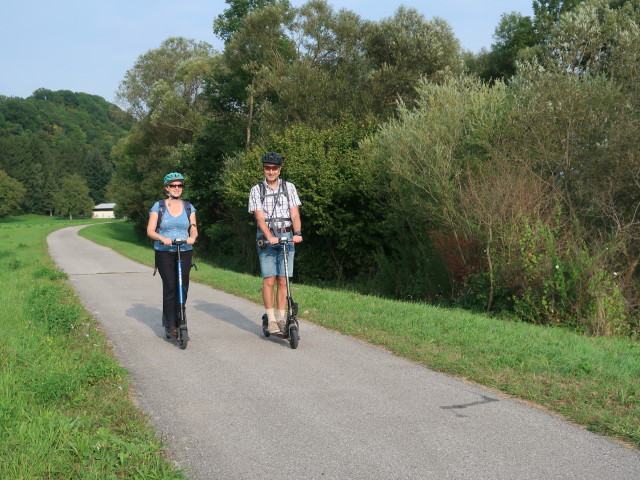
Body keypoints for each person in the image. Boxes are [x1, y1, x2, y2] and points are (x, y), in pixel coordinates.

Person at [248, 152, 303, 334]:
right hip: (267, 240)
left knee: (283, 279)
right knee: (269, 279)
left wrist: (297, 233)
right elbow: (260, 219)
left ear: (279, 170)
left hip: (287, 237)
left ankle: (281, 317)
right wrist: (269, 236)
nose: (270, 171)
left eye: (274, 168)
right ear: (263, 169)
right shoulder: (257, 190)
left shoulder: (289, 188)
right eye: (267, 168)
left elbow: (294, 214)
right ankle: (271, 319)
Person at [146, 172, 198, 339]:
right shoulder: (159, 206)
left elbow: (193, 227)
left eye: (180, 185)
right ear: (167, 188)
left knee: (182, 287)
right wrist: (162, 238)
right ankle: (170, 324)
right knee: (170, 287)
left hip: (184, 251)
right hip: (164, 252)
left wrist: (193, 237)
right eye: (173, 185)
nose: (177, 188)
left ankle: (181, 319)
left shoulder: (189, 207)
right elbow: (150, 230)